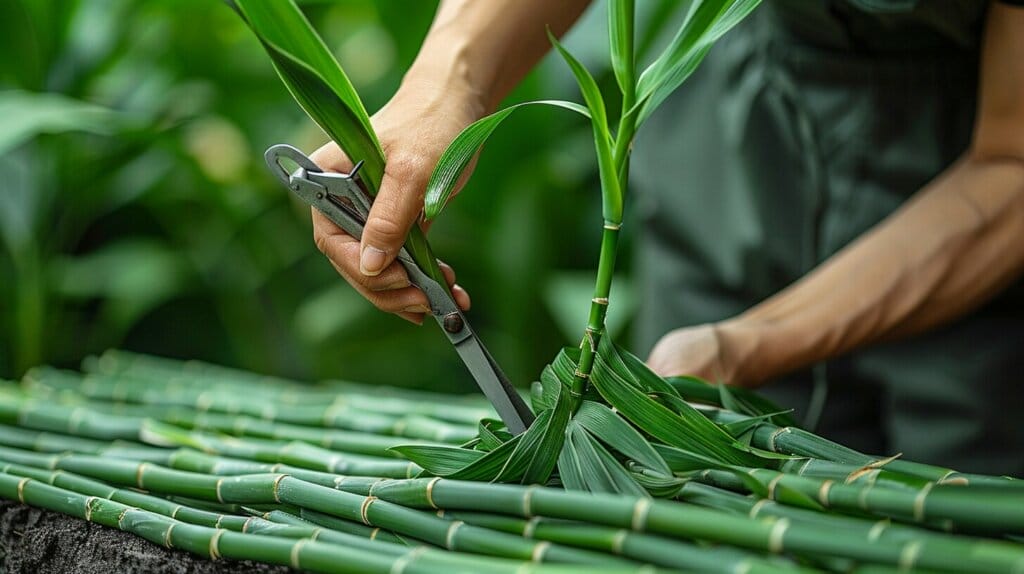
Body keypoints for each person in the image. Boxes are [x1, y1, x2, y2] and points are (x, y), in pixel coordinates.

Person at [310, 1, 1024, 475]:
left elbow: (1013, 163)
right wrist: (445, 85)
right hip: (731, 152)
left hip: (971, 219)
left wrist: (745, 344)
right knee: (694, 480)